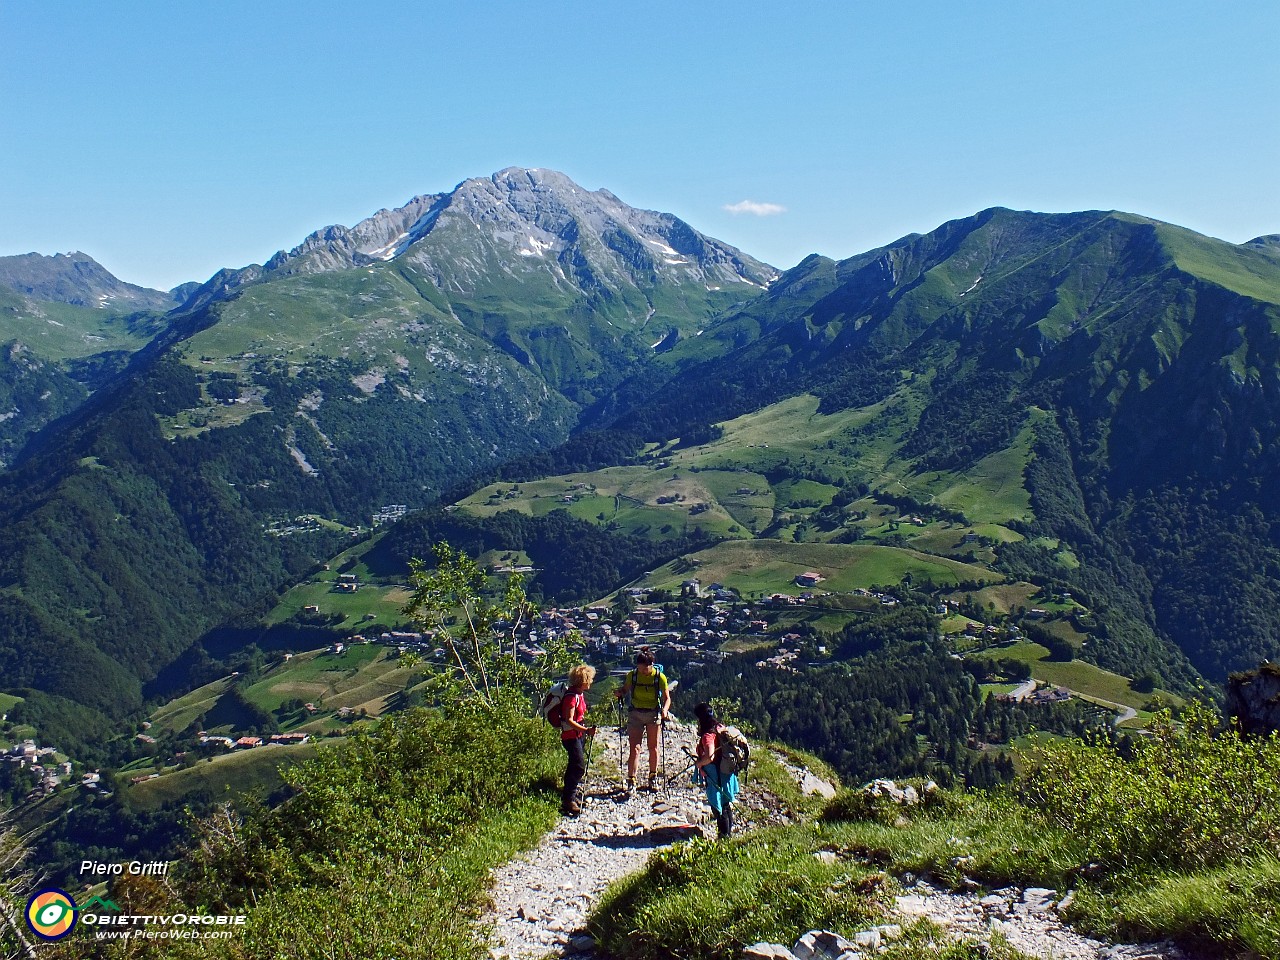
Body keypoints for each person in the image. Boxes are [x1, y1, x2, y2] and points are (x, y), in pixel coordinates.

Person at [615, 650, 671, 792]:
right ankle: (631, 779)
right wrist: (619, 693)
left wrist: (664, 710)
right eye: (640, 668)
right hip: (635, 714)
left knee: (653, 747)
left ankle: (653, 777)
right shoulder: (632, 676)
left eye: (645, 668)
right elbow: (625, 690)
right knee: (635, 748)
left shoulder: (660, 677)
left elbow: (667, 698)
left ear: (651, 665)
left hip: (653, 713)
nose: (643, 671)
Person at [693, 701, 739, 838]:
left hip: (715, 774)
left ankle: (724, 837)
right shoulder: (720, 727)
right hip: (726, 773)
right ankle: (728, 835)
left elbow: (710, 756)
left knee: (718, 807)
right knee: (726, 804)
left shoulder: (708, 735)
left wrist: (699, 764)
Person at [559, 663, 597, 816]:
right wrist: (586, 730)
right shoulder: (571, 697)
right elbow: (569, 720)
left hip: (577, 734)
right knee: (579, 766)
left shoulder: (578, 694)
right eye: (590, 679)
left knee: (574, 765)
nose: (592, 681)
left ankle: (570, 796)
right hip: (571, 735)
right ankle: (568, 799)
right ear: (584, 680)